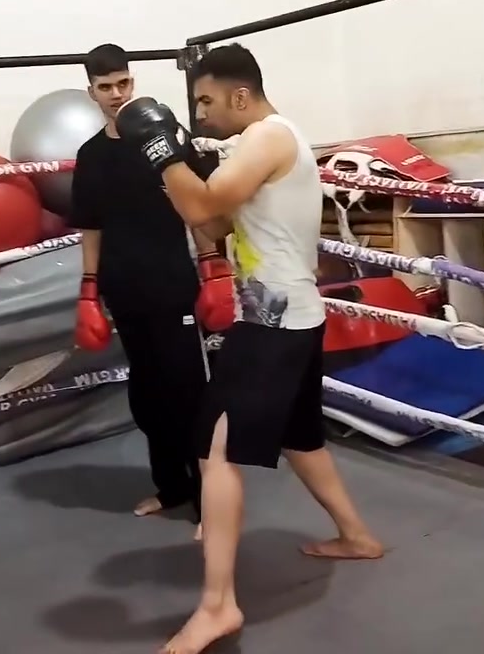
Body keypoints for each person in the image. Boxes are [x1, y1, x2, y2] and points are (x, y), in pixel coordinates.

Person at [114, 43, 385, 654]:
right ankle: (357, 536)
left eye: (206, 100)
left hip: (274, 324)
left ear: (240, 95)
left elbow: (202, 204)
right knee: (301, 437)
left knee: (214, 449)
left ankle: (218, 606)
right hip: (288, 317)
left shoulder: (269, 137)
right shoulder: (255, 148)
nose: (200, 114)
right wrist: (174, 171)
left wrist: (162, 152)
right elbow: (211, 224)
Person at [68, 43, 236, 532]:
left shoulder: (164, 138)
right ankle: (172, 487)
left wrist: (213, 266)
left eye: (123, 82)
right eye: (105, 87)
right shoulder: (91, 155)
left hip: (171, 283)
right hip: (124, 288)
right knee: (148, 396)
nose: (116, 93)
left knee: (189, 394)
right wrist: (88, 289)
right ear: (91, 92)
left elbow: (198, 206)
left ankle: (210, 503)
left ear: (132, 82)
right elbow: (91, 227)